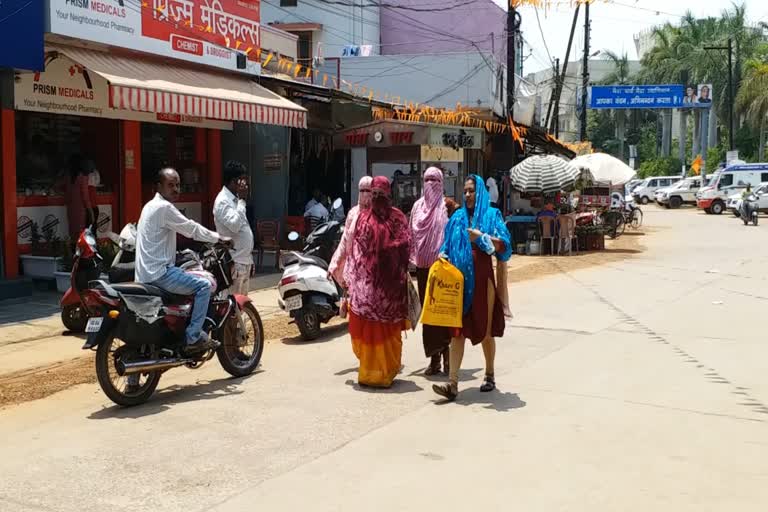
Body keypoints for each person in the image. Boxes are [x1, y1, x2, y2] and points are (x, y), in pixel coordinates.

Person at [433, 175, 512, 402]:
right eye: (465, 191)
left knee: (485, 330)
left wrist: (482, 237)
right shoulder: (457, 218)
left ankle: (489, 374)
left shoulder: (491, 215)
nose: (467, 195)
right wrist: (442, 254)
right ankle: (453, 383)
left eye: (471, 191)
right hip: (458, 283)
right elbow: (446, 244)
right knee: (457, 332)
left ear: (480, 192)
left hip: (482, 280)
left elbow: (504, 247)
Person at [135, 168, 229, 354]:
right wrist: (218, 238)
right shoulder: (164, 208)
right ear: (159, 186)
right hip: (160, 274)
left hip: (145, 274)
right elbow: (190, 228)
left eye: (178, 185)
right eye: (170, 185)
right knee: (203, 286)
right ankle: (193, 336)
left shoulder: (149, 206)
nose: (176, 189)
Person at [343, 176, 411, 388]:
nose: (377, 199)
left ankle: (385, 372)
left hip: (389, 290)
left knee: (388, 332)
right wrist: (351, 279)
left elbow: (405, 245)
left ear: (389, 195)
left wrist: (387, 251)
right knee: (364, 328)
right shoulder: (363, 218)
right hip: (368, 290)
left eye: (381, 195)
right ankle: (368, 374)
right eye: (374, 195)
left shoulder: (398, 218)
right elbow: (356, 252)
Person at [409, 167, 450, 375]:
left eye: (434, 180)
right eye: (427, 179)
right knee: (429, 316)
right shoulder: (417, 207)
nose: (430, 184)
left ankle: (448, 357)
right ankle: (434, 359)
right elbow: (410, 235)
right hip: (423, 270)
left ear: (441, 182)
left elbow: (453, 235)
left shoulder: (447, 206)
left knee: (443, 313)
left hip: (442, 270)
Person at [213, 160, 254, 296]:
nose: (245, 185)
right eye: (242, 180)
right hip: (235, 263)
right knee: (233, 308)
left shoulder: (234, 200)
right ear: (233, 181)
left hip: (244, 261)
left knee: (242, 307)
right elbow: (235, 226)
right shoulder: (223, 201)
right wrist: (242, 201)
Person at [328, 176, 372, 284]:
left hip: (372, 269)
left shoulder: (378, 214)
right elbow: (345, 241)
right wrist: (335, 263)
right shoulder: (353, 214)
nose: (365, 194)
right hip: (354, 267)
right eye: (362, 191)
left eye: (368, 190)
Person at [65, 155, 93, 241]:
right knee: (81, 232)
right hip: (80, 208)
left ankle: (73, 251)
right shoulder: (83, 177)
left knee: (73, 231)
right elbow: (85, 196)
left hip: (71, 208)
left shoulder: (69, 177)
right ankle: (80, 251)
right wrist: (90, 210)